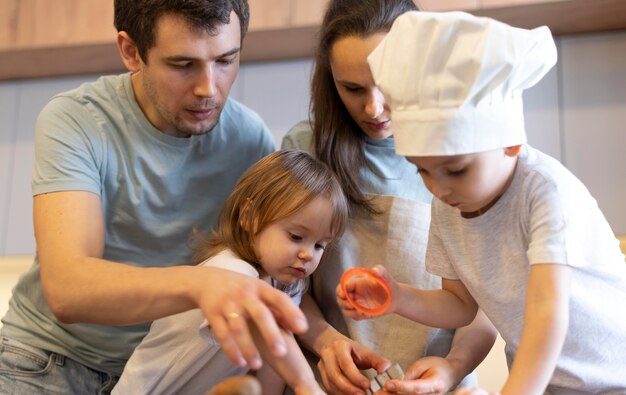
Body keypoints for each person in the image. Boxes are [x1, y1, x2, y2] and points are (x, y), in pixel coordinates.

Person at [0, 1, 308, 393]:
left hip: (163, 373)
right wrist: (202, 284)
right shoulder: (76, 120)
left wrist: (329, 344)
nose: (208, 88)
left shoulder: (251, 140)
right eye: (183, 65)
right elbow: (68, 289)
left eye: (226, 60)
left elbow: (277, 276)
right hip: (49, 362)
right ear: (131, 51)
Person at [340, 10, 626, 395]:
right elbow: (460, 305)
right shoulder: (448, 205)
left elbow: (547, 312)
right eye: (422, 171)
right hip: (552, 384)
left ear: (511, 142)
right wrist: (398, 297)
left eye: (456, 170)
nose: (439, 189)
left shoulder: (545, 193)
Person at [282, 1, 497, 394]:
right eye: (352, 88)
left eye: (389, 83)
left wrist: (451, 368)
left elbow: (484, 303)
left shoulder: (466, 155)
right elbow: (285, 282)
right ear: (330, 80)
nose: (373, 108)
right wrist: (326, 344)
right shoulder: (304, 146)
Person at [113, 149, 348, 395]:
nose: (308, 254)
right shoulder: (229, 268)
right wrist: (306, 384)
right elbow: (265, 330)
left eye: (319, 245)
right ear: (249, 216)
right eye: (296, 236)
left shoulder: (283, 284)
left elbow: (274, 360)